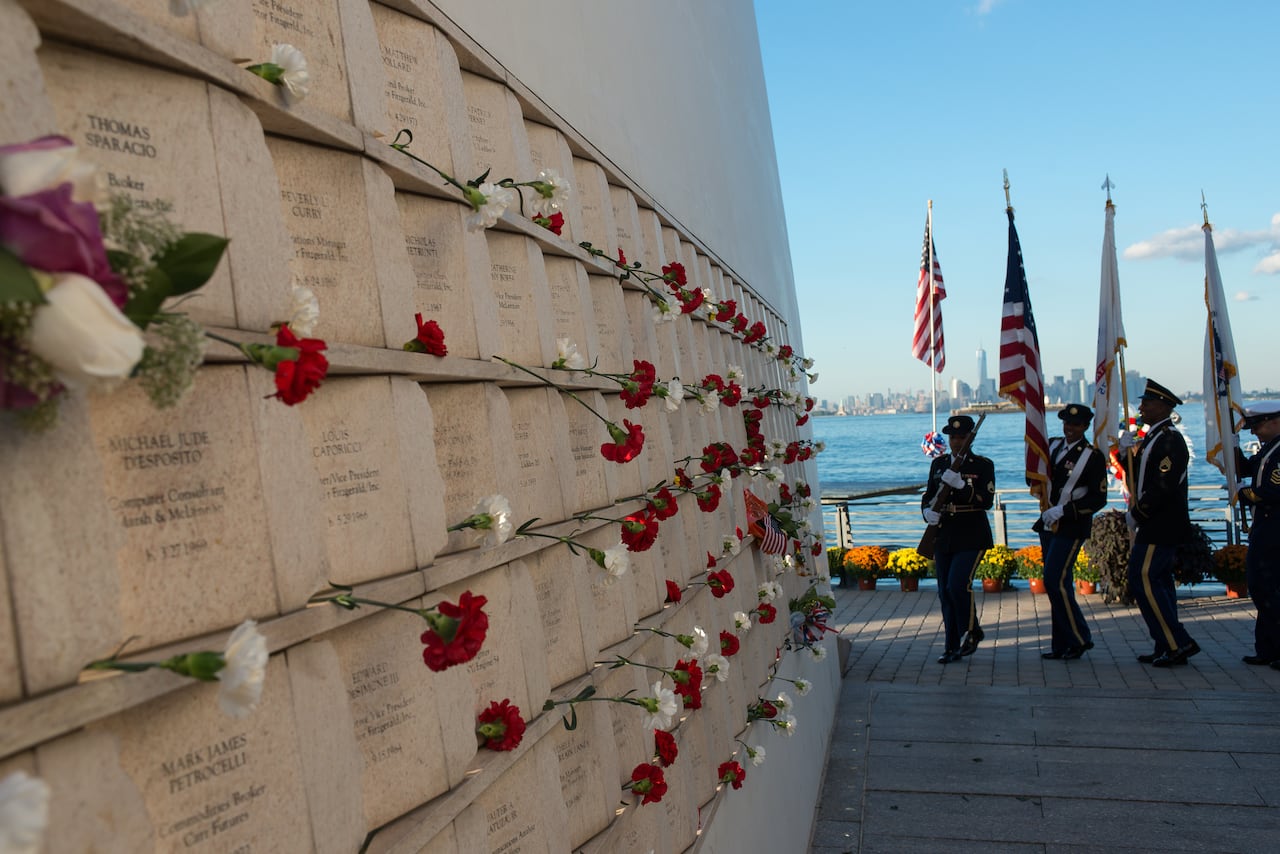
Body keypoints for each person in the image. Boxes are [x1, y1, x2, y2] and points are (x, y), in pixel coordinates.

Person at [1120, 379, 1198, 667]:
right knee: (1159, 583)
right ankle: (1166, 644)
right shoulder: (1154, 437)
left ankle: (1178, 642)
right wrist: (1124, 453)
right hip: (1154, 522)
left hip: (1160, 523)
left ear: (1164, 407)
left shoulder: (1169, 440)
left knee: (1143, 578)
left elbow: (1162, 486)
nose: (1141, 408)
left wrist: (1138, 514)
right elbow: (1139, 477)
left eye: (1147, 403)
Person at [1035, 404, 1108, 660]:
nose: (1070, 428)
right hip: (1049, 522)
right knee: (1060, 584)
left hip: (1071, 525)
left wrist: (1065, 511)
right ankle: (1062, 644)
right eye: (1067, 423)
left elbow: (1098, 499)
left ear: (1085, 427)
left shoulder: (1093, 456)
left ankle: (1079, 638)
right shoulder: (1052, 446)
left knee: (1054, 580)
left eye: (1076, 425)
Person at [921, 415, 996, 664]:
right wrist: (926, 511)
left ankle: (972, 629)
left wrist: (963, 487)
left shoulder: (983, 465)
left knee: (957, 585)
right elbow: (929, 495)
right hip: (944, 533)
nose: (956, 441)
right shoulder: (939, 463)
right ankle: (951, 646)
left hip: (971, 533)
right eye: (953, 437)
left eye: (961, 437)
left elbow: (986, 501)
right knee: (945, 592)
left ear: (969, 439)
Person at [1234, 401, 1280, 667]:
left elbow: (1272, 492)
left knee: (1269, 588)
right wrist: (1231, 446)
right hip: (1265, 526)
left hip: (1275, 528)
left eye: (1258, 426)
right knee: (1262, 588)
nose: (1254, 432)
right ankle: (1267, 648)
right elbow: (1248, 468)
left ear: (1275, 421)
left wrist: (1243, 494)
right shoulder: (1269, 450)